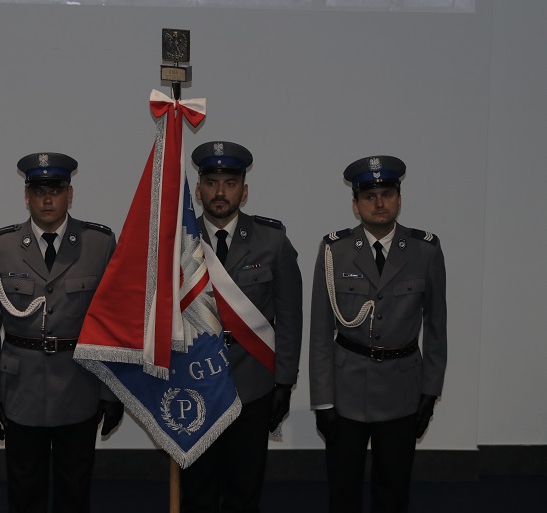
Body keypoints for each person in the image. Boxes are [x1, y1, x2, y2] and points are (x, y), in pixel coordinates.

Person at [0, 152, 124, 513]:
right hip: (21, 390)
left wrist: (113, 390)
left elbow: (113, 324)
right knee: (25, 491)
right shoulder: (1, 248)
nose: (47, 199)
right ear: (25, 196)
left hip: (79, 386)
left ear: (70, 194)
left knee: (75, 490)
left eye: (55, 190)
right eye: (38, 190)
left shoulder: (99, 244)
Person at [309, 155, 447, 513]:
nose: (380, 203)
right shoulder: (333, 251)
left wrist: (430, 391)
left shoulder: (425, 251)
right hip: (346, 389)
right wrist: (323, 400)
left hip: (402, 389)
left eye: (387, 194)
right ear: (355, 205)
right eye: (370, 197)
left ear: (400, 199)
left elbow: (436, 328)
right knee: (344, 490)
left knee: (393, 489)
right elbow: (321, 333)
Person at [181, 141, 304, 513]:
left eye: (230, 183)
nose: (220, 192)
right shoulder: (177, 243)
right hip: (196, 385)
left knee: (244, 491)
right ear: (199, 190)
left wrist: (283, 383)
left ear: (244, 191)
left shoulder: (273, 241)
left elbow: (290, 317)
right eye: (212, 182)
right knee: (198, 492)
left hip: (251, 386)